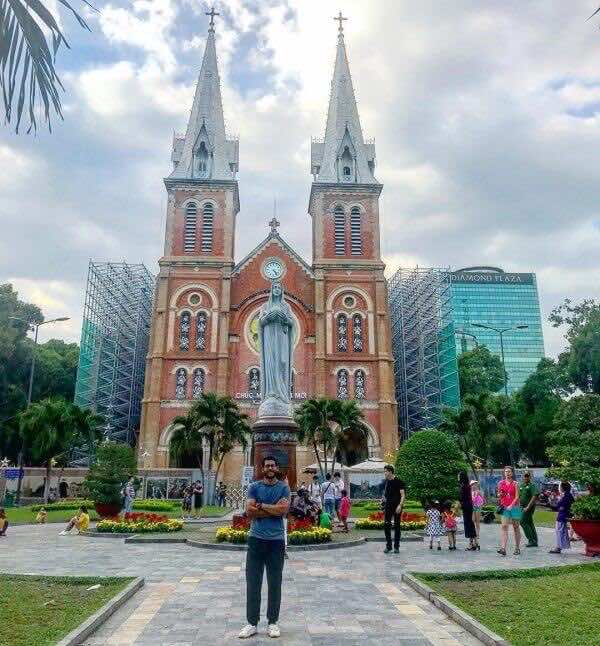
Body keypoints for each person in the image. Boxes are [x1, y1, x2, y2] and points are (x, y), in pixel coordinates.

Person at [239, 456, 289, 640]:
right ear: (262, 468)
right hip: (256, 540)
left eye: (272, 465)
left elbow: (283, 510)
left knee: (275, 583)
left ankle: (272, 622)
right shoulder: (254, 486)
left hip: (276, 541)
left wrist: (260, 506)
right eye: (267, 465)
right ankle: (252, 623)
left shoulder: (283, 487)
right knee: (253, 582)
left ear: (276, 468)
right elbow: (249, 511)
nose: (270, 468)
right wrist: (272, 508)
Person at [497, 466, 522, 556]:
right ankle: (503, 548)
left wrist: (511, 505)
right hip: (505, 507)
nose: (507, 473)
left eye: (509, 471)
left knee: (516, 527)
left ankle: (517, 548)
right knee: (504, 526)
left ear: (512, 473)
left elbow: (517, 496)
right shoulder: (501, 483)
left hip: (515, 507)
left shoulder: (516, 483)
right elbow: (499, 495)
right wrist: (500, 494)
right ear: (504, 473)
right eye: (506, 472)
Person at [382, 464, 405, 554]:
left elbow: (403, 495)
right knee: (386, 525)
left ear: (390, 472)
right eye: (384, 471)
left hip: (397, 507)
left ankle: (396, 547)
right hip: (388, 506)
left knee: (397, 526)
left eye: (386, 471)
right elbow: (386, 494)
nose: (385, 473)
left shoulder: (399, 481)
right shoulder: (386, 482)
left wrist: (400, 505)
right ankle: (389, 546)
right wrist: (383, 500)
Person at [549, 481, 575, 554]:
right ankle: (560, 546)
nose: (559, 488)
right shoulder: (567, 495)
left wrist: (554, 501)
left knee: (559, 531)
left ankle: (558, 547)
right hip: (563, 515)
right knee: (561, 531)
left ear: (563, 487)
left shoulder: (566, 496)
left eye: (560, 487)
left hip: (562, 516)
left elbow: (558, 506)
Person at [458, 471, 478, 551]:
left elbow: (461, 497)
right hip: (469, 506)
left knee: (468, 525)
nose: (458, 477)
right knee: (471, 524)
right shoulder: (467, 486)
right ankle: (475, 542)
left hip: (466, 507)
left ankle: (471, 544)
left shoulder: (463, 486)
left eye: (459, 476)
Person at [520, 472, 539, 548]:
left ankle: (531, 540)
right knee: (530, 523)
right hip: (522, 507)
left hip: (528, 507)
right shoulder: (521, 485)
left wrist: (528, 507)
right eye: (524, 476)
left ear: (529, 477)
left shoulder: (532, 485)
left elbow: (534, 496)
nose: (526, 477)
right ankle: (534, 540)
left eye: (527, 476)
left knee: (523, 522)